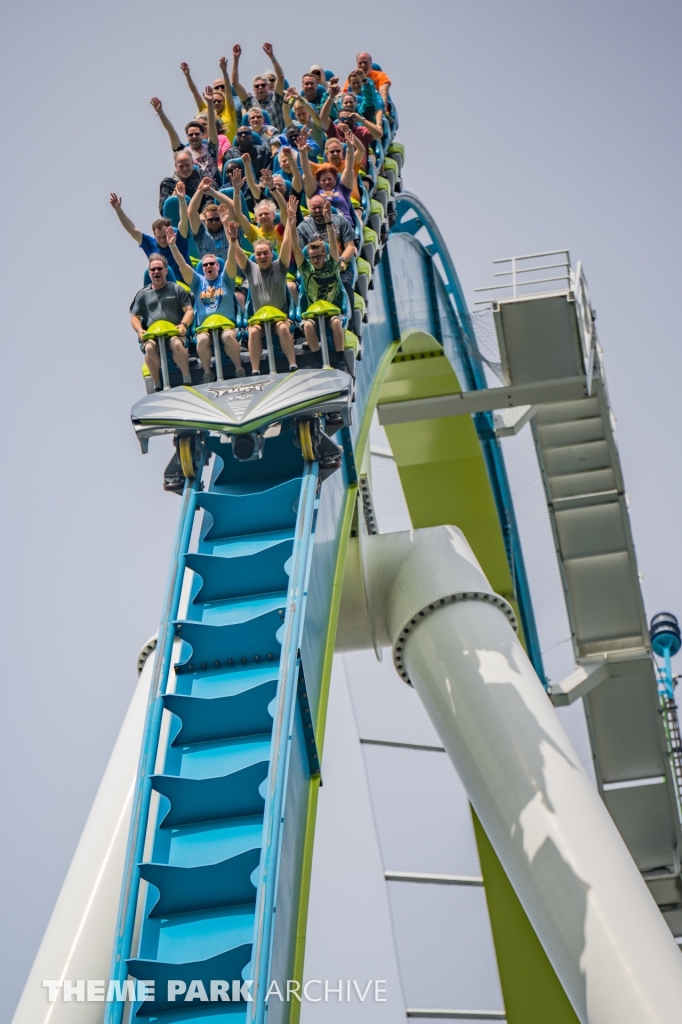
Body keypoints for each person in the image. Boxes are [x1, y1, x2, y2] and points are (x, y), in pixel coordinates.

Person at [166, 225, 245, 383]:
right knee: (201, 340)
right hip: (204, 328)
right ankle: (208, 373)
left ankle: (239, 368)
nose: (208, 266)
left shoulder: (226, 279)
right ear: (202, 269)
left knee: (228, 336)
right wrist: (173, 246)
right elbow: (183, 265)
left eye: (211, 264)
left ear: (217, 266)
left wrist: (233, 240)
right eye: (205, 265)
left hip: (227, 325)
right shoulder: (197, 282)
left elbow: (230, 260)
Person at [226, 212, 297, 375]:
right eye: (259, 254)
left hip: (281, 318)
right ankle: (255, 370)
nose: (262, 256)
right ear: (255, 256)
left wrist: (289, 224)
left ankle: (293, 364)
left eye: (265, 253)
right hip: (259, 320)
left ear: (272, 254)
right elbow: (236, 251)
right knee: (252, 331)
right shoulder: (250, 269)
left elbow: (286, 243)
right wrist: (229, 232)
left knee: (283, 329)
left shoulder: (280, 266)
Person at [288, 196, 349, 372]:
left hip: (334, 310)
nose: (315, 260)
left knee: (336, 323)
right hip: (313, 312)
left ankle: (340, 359)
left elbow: (332, 244)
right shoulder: (306, 269)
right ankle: (317, 359)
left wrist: (329, 222)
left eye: (318, 256)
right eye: (312, 257)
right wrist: (291, 225)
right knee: (307, 325)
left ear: (325, 255)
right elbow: (295, 247)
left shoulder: (332, 265)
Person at [130, 255, 194, 390]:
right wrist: (140, 330)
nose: (156, 272)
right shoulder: (142, 294)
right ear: (149, 272)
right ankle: (157, 385)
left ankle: (187, 378)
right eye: (153, 270)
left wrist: (183, 325)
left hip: (174, 332)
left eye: (159, 269)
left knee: (176, 344)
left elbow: (189, 310)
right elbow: (134, 317)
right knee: (149, 348)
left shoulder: (176, 289)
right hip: (153, 335)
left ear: (166, 271)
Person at [109, 190, 190, 278]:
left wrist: (182, 200)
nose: (162, 240)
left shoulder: (178, 238)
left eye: (164, 236)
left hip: (185, 283)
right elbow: (132, 230)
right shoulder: (150, 243)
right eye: (159, 237)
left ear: (169, 231)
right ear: (154, 236)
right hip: (163, 285)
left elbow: (184, 223)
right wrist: (118, 209)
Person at [298, 193, 356, 310]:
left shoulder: (340, 221)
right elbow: (302, 254)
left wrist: (342, 260)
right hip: (315, 271)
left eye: (320, 207)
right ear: (310, 209)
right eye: (314, 208)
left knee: (345, 285)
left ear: (326, 206)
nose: (318, 210)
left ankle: (350, 322)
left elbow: (350, 247)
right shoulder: (303, 228)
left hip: (340, 268)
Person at [150, 93, 219, 186]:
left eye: (197, 134)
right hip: (192, 189)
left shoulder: (211, 148)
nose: (194, 136)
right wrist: (160, 112)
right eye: (191, 134)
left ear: (203, 135)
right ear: (187, 137)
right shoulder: (183, 152)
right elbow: (171, 131)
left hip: (212, 188)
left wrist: (210, 103)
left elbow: (212, 127)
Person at [300, 132, 358, 226]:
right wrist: (302, 152)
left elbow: (349, 167)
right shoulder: (315, 190)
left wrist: (350, 148)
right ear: (318, 182)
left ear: (335, 178)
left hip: (343, 225)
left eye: (329, 179)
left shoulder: (343, 188)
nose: (327, 182)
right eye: (323, 180)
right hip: (320, 228)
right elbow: (306, 171)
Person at [180, 57, 239, 143]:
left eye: (219, 101)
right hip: (211, 150)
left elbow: (228, 91)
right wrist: (187, 75)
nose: (216, 103)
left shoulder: (229, 110)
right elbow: (195, 94)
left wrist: (224, 72)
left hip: (229, 150)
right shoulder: (206, 111)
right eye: (213, 101)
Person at [229, 166, 285, 254]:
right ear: (256, 219)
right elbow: (238, 214)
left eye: (266, 214)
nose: (263, 216)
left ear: (274, 215)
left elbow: (284, 209)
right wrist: (236, 190)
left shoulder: (282, 229)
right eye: (260, 215)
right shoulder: (254, 232)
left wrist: (272, 188)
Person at [231, 43, 285, 132]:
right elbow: (234, 83)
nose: (260, 87)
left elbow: (281, 77)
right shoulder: (250, 101)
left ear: (268, 87)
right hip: (258, 142)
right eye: (257, 86)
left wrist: (271, 56)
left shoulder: (276, 98)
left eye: (263, 85)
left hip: (276, 140)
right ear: (254, 89)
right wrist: (236, 59)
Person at [187, 178, 234, 262]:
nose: (214, 222)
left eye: (217, 219)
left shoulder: (229, 226)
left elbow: (232, 207)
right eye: (210, 220)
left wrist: (211, 192)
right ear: (205, 220)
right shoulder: (200, 232)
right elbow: (191, 212)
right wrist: (200, 190)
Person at [158, 149, 202, 215]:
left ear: (192, 164)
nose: (185, 169)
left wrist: (204, 213)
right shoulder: (168, 183)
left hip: (201, 217)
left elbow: (209, 198)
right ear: (176, 167)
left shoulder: (200, 176)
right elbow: (163, 211)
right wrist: (175, 193)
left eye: (187, 165)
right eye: (181, 166)